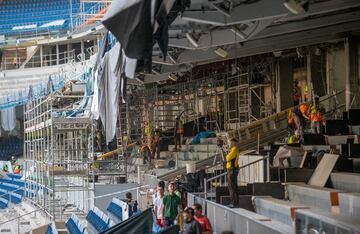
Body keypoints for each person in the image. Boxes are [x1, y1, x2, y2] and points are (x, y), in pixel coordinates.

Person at [225, 138, 240, 207]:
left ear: (234, 143)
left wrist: (227, 154)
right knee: (232, 186)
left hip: (232, 170)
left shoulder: (234, 149)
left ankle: (234, 203)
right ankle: (234, 202)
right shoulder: (232, 150)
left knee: (232, 186)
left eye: (230, 143)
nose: (229, 144)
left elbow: (227, 158)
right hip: (231, 169)